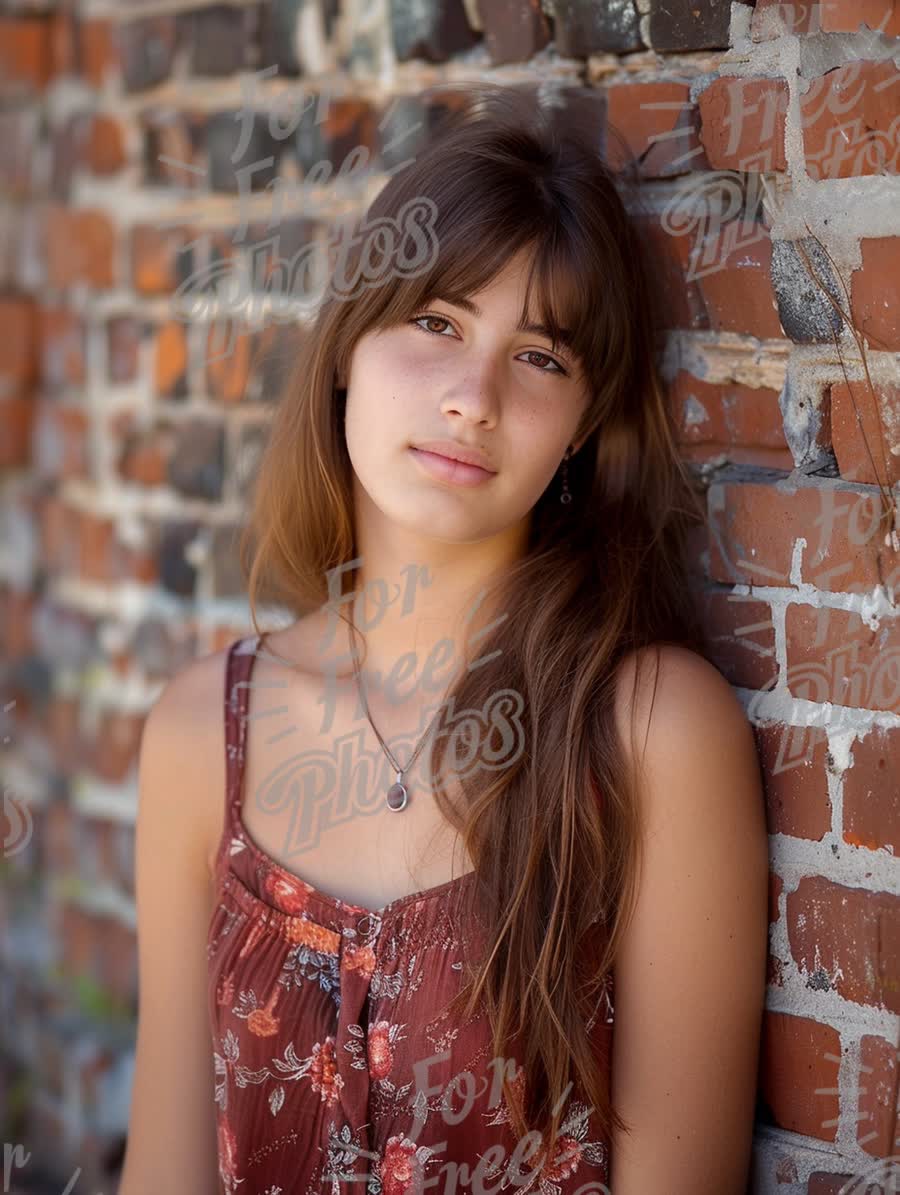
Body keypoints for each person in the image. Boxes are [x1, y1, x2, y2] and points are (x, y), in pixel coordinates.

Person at [119, 82, 769, 1194]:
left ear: (578, 432)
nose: (473, 397)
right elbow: (167, 1170)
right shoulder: (198, 730)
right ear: (345, 351)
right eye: (436, 324)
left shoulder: (650, 730)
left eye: (541, 358)